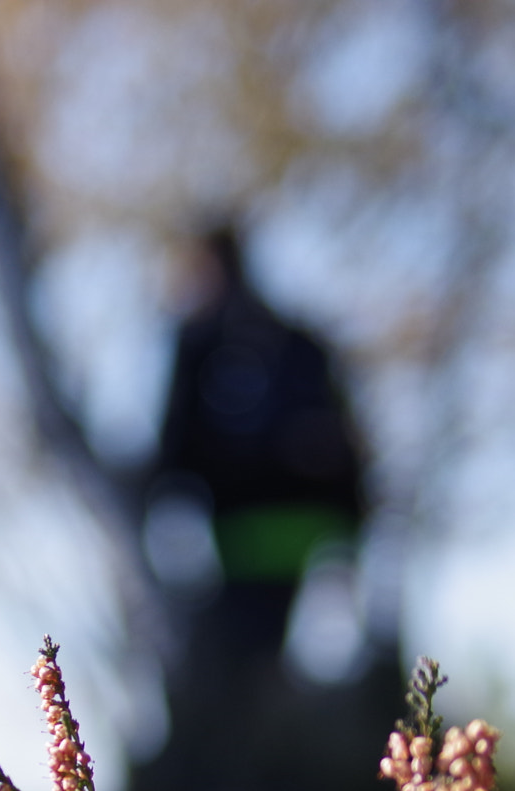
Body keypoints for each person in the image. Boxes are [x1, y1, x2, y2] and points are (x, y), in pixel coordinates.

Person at [153, 223, 368, 678]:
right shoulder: (299, 341)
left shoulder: (202, 346)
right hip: (298, 535)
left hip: (250, 538)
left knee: (249, 675)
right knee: (286, 672)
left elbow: (174, 445)